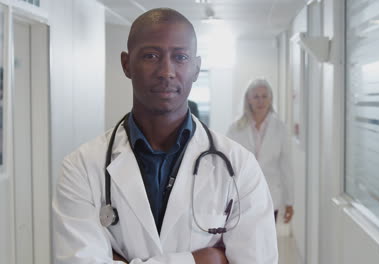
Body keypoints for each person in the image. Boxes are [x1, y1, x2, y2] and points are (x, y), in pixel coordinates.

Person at [53, 8, 278, 264]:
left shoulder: (240, 167)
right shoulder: (81, 168)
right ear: (127, 64)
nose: (166, 71)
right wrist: (202, 260)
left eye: (180, 57)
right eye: (151, 56)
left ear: (196, 67)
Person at [227, 78, 294, 223]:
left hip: (271, 195)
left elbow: (286, 166)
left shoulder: (280, 128)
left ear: (270, 99)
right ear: (248, 100)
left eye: (264, 96)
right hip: (242, 195)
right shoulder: (235, 128)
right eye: (256, 97)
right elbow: (228, 164)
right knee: (243, 242)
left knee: (266, 242)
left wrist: (290, 202)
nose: (260, 101)